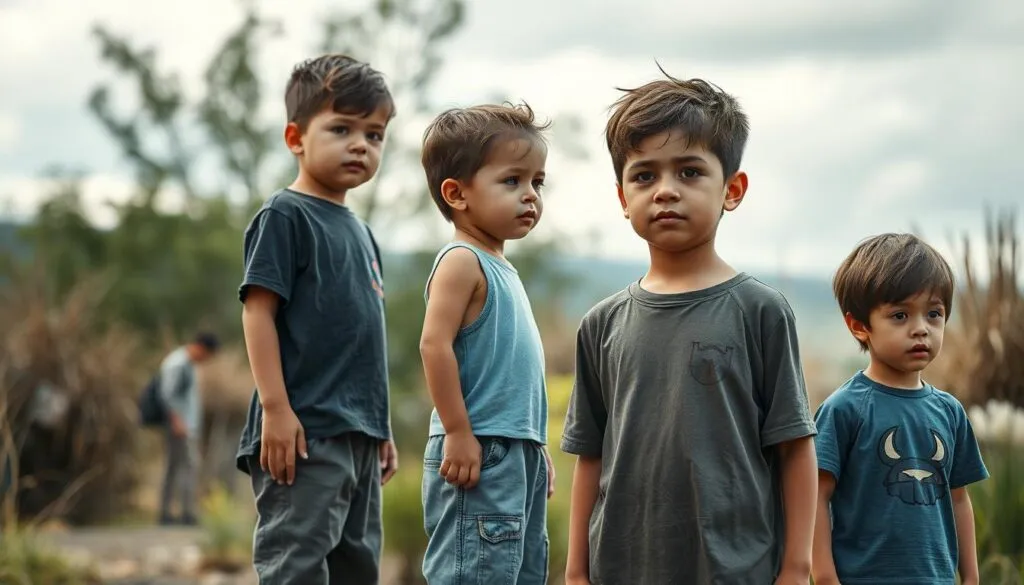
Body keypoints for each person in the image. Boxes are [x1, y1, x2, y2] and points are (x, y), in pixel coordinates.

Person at [560, 71, 819, 585]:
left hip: (735, 569)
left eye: (689, 172)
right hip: (622, 568)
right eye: (644, 176)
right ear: (622, 198)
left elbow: (795, 447)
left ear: (732, 190)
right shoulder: (601, 324)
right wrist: (575, 572)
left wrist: (796, 567)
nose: (665, 191)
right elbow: (590, 456)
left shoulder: (760, 311)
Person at [236, 54, 399, 585]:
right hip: (304, 432)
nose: (361, 145)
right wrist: (276, 409)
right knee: (297, 566)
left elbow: (365, 341)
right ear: (296, 138)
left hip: (358, 435)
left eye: (374, 135)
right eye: (341, 129)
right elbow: (258, 313)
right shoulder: (285, 216)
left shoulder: (362, 232)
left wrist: (380, 428)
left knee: (358, 568)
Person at [417, 102, 555, 584]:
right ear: (457, 194)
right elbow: (433, 346)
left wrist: (533, 445)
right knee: (474, 571)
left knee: (518, 570)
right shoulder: (461, 260)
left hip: (514, 450)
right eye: (512, 180)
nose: (530, 195)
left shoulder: (502, 267)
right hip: (477, 447)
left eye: (537, 182)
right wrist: (458, 432)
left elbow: (512, 372)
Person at [811, 233, 989, 585]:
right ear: (859, 326)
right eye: (900, 315)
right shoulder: (844, 409)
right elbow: (815, 497)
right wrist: (826, 577)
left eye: (934, 314)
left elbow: (958, 499)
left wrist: (970, 577)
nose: (921, 329)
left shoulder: (950, 412)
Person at [158, 331, 220, 526]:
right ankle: (183, 513)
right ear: (200, 347)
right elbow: (167, 395)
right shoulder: (178, 364)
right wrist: (178, 422)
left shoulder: (189, 365)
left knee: (178, 467)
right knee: (186, 467)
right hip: (180, 426)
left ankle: (170, 512)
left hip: (187, 426)